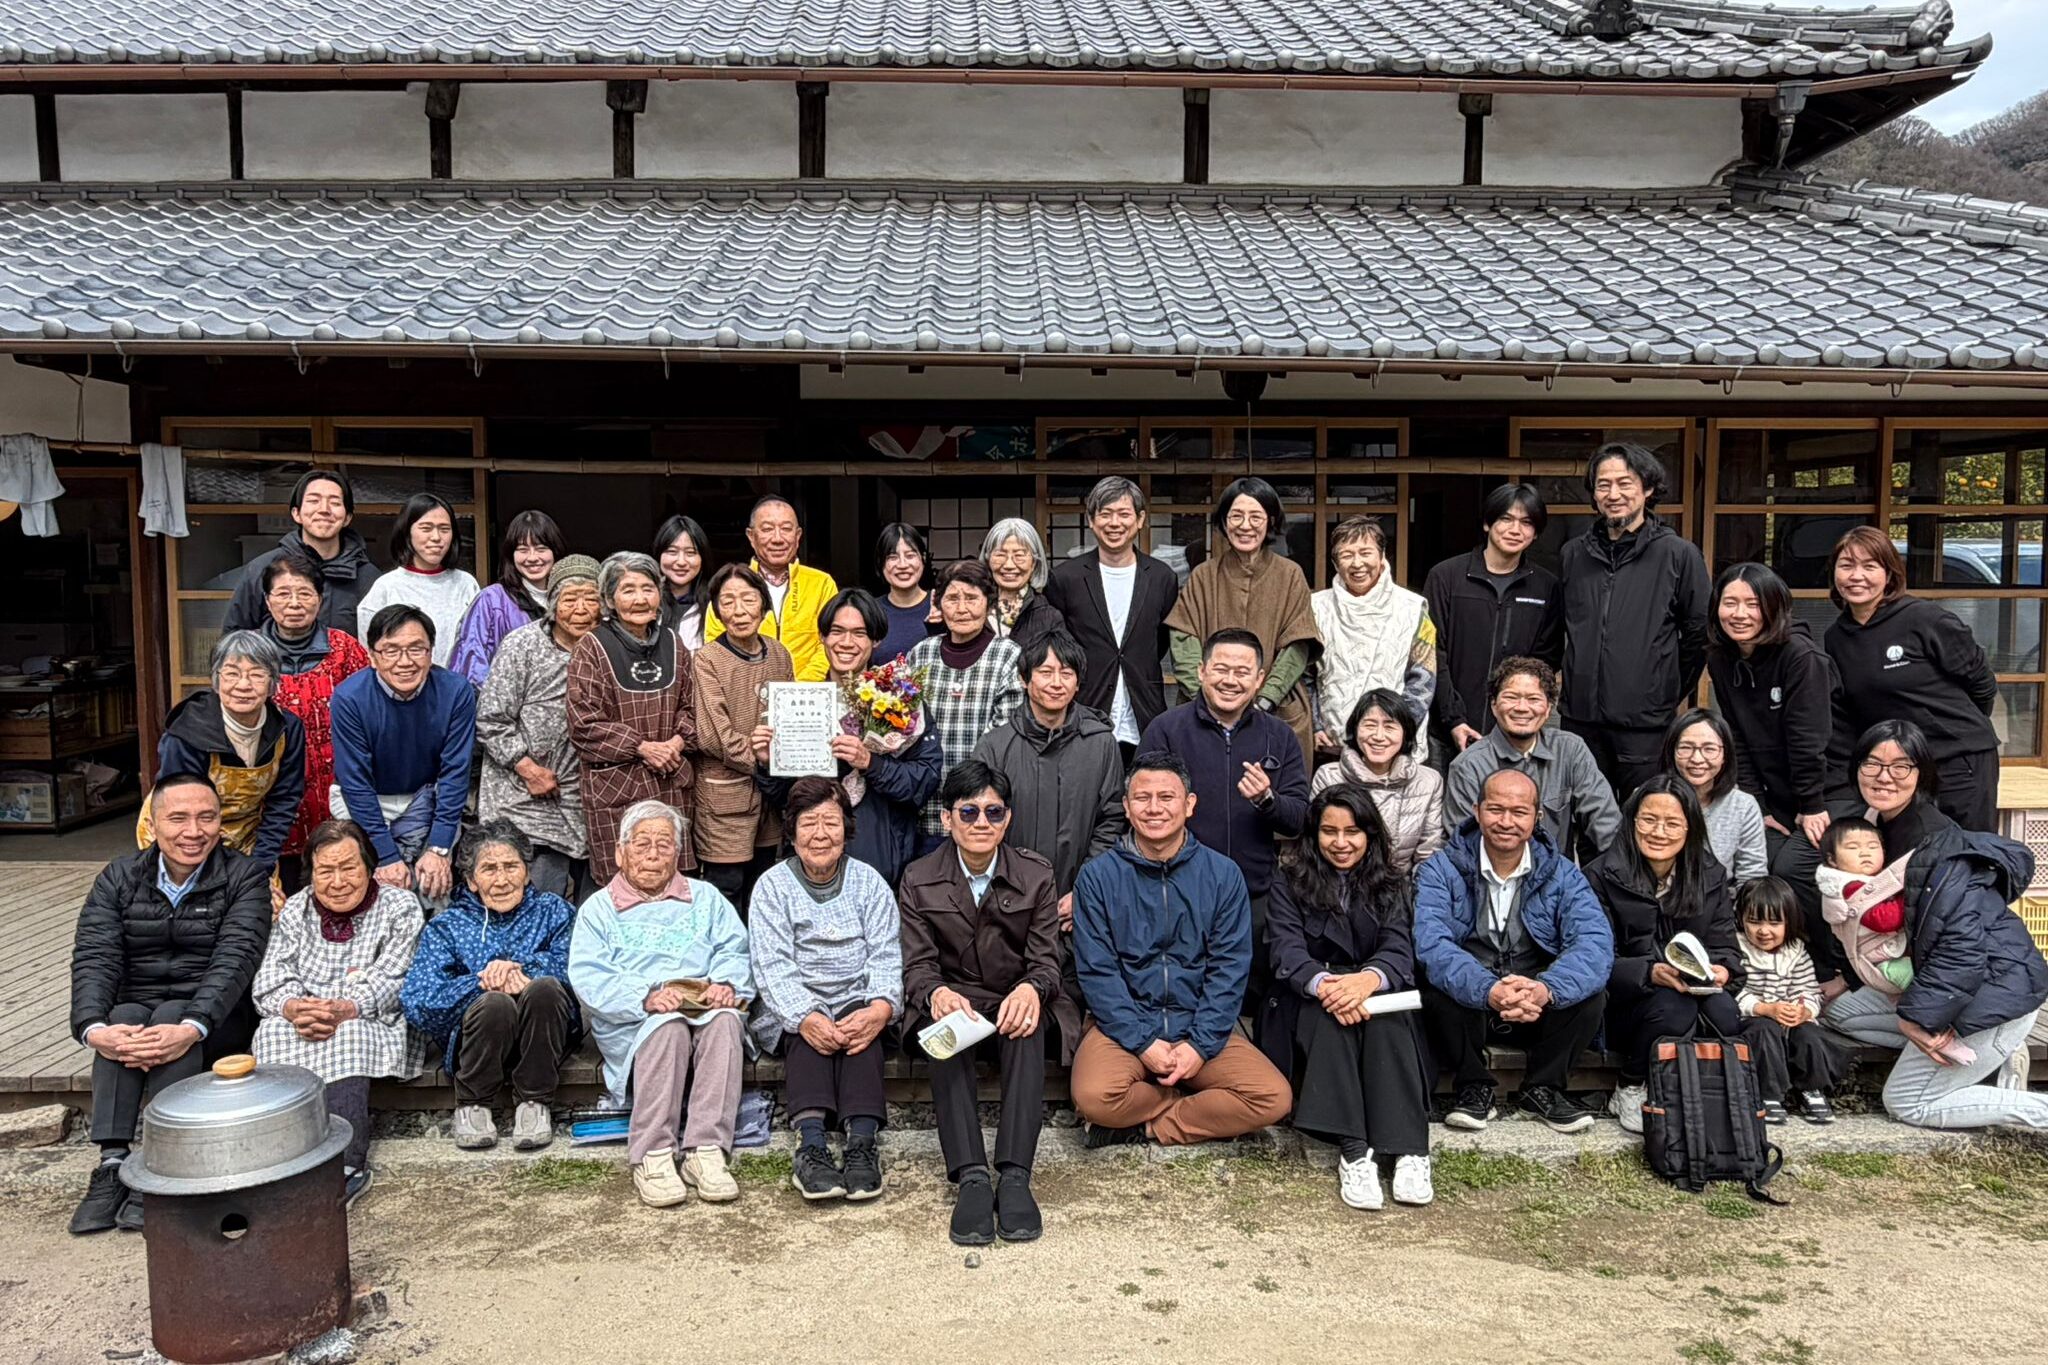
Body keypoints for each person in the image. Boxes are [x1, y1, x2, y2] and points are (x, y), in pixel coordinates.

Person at [1818, 720, 2048, 1130]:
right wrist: (1849, 979)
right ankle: (1972, 1060)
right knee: (1841, 1012)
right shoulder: (1878, 824)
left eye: (1900, 766)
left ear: (1921, 773)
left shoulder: (1937, 843)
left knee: (1906, 1102)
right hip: (1943, 986)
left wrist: (1917, 1019)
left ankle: (2015, 1090)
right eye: (1872, 763)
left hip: (1990, 995)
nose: (1884, 776)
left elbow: (1961, 951)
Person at [68, 774, 272, 1235]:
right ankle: (112, 1163)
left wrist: (192, 1025)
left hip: (215, 1019)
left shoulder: (245, 877)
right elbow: (95, 955)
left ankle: (162, 1166)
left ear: (221, 824)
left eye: (207, 817)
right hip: (137, 1012)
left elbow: (236, 960)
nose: (193, 831)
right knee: (123, 1020)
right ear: (153, 824)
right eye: (177, 818)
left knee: (168, 1017)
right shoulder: (119, 877)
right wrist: (94, 1028)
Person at [1068, 752, 1293, 1147]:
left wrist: (1200, 1046)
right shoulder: (1098, 877)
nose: (1154, 808)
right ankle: (1180, 1098)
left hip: (1199, 1024)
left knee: (1272, 1097)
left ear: (1189, 805)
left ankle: (1151, 1125)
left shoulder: (1222, 875)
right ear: (1126, 806)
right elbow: (1098, 972)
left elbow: (1228, 969)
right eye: (1142, 798)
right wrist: (1142, 1042)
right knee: (1094, 1097)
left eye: (1167, 797)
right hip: (1125, 1028)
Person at [898, 760, 1074, 1246]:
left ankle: (1016, 1173)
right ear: (946, 819)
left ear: (1008, 818)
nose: (982, 823)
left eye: (993, 812)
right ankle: (972, 1175)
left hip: (1010, 993)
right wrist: (936, 993)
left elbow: (1046, 960)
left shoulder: (1036, 874)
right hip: (953, 997)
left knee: (1027, 1024)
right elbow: (917, 965)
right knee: (945, 1033)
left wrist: (1032, 989)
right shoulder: (918, 877)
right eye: (969, 811)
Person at [569, 801, 753, 1208]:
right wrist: (645, 997)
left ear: (678, 853)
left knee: (724, 1020)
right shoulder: (599, 909)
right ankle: (653, 1154)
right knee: (666, 1025)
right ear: (620, 852)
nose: (653, 854)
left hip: (700, 1007)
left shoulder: (705, 897)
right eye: (642, 844)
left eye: (664, 845)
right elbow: (590, 976)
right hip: (635, 1022)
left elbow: (734, 949)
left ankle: (706, 1151)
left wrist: (725, 983)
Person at [1263, 786, 1434, 1211]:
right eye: (1329, 832)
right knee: (1333, 1018)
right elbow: (1286, 951)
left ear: (1370, 834)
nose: (1341, 843)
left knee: (1388, 1017)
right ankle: (1355, 1150)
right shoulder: (1289, 878)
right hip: (1305, 996)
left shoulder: (1391, 881)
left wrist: (1367, 981)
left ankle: (1410, 1150)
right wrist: (1331, 986)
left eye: (1353, 832)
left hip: (1368, 990)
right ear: (1313, 834)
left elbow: (1397, 947)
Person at [1414, 769, 1612, 1134]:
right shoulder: (1441, 870)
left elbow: (1594, 944)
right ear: (1477, 811)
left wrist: (1545, 989)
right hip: (1471, 1005)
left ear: (1536, 818)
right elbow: (1433, 944)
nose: (1506, 822)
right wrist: (1489, 989)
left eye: (1519, 812)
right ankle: (1473, 1088)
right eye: (1496, 809)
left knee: (1591, 996)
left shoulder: (1562, 874)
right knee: (1437, 984)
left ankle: (1543, 1088)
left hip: (1535, 1002)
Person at [252, 819, 426, 1206]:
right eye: (325, 871)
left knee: (350, 1036)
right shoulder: (297, 909)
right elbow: (272, 977)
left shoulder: (399, 906)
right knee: (272, 1033)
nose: (338, 881)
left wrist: (348, 1007)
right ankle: (285, 1156)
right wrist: (295, 1007)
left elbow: (398, 976)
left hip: (372, 1014)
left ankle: (347, 1163)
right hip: (307, 1011)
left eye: (348, 867)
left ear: (368, 865)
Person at [1139, 628, 1310, 1011]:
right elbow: (1139, 810)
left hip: (1254, 895)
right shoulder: (1167, 729)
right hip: (1176, 892)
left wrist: (1268, 799)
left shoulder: (1278, 736)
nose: (1230, 680)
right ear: (1201, 671)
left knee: (1249, 1002)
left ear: (1259, 679)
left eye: (1242, 672)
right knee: (1181, 1000)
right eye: (1221, 669)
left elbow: (1299, 819)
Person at [748, 779, 903, 1202]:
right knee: (807, 1032)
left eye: (831, 822)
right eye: (809, 822)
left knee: (861, 1032)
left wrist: (881, 1007)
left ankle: (861, 1146)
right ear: (792, 830)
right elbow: (772, 965)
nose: (820, 833)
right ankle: (812, 1146)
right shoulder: (772, 887)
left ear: (847, 828)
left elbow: (887, 954)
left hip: (857, 994)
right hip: (796, 998)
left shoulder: (870, 883)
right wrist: (806, 1014)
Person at [402, 820, 580, 1152]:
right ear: (470, 880)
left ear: (527, 873)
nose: (501, 879)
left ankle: (534, 1101)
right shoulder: (448, 926)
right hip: (478, 1041)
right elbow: (418, 1000)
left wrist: (523, 971)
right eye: (489, 869)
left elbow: (579, 968)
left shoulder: (554, 912)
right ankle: (473, 1103)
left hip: (545, 1035)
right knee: (495, 1003)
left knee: (544, 989)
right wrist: (482, 982)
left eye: (511, 866)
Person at [1585, 775, 1744, 1136]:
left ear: (1691, 827)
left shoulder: (1709, 874)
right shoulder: (1600, 875)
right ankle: (1630, 1085)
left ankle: (1704, 1091)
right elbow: (1594, 958)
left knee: (1725, 1013)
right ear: (1632, 821)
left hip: (1689, 991)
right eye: (1649, 820)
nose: (1659, 832)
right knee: (1673, 1007)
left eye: (1673, 823)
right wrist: (1649, 972)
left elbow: (1725, 947)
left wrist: (1721, 970)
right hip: (1623, 1002)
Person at [754, 589, 942, 883]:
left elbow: (924, 781)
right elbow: (785, 797)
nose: (846, 643)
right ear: (822, 637)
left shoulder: (900, 702)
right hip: (813, 863)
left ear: (876, 640)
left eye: (859, 633)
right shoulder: (801, 703)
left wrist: (871, 763)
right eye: (837, 632)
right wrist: (768, 763)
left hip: (883, 858)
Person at [1557, 442, 1709, 801]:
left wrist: (1664, 691)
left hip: (1645, 726)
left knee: (1643, 814)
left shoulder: (1678, 554)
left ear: (1648, 489)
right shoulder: (1574, 554)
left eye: (1625, 483)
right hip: (1580, 721)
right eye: (1603, 485)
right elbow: (1564, 626)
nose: (1614, 494)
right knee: (1581, 818)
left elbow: (1700, 632)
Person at [1826, 526, 2000, 832]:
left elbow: (1981, 682)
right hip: (1899, 769)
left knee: (1968, 856)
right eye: (1846, 565)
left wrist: (1952, 730)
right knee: (1911, 855)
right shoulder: (1836, 638)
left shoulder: (1924, 619)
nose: (1856, 576)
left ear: (1890, 574)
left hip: (1958, 760)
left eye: (1869, 566)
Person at [1705, 561, 1842, 922]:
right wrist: (1757, 805)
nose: (1739, 614)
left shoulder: (1801, 656)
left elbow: (1807, 738)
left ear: (1774, 606)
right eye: (1729, 602)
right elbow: (1736, 735)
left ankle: (1831, 966)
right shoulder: (1721, 657)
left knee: (1792, 867)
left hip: (1830, 790)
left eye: (1752, 604)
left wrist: (1812, 804)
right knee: (1753, 857)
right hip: (1777, 795)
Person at [1165, 476, 1323, 767]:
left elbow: (1298, 644)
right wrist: (1210, 698)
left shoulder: (1290, 575)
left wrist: (1265, 698)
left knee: (1276, 799)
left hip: (1275, 708)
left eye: (1255, 516)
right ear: (1224, 522)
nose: (1245, 525)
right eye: (1236, 516)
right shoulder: (1203, 576)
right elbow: (1182, 638)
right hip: (1206, 712)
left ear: (1271, 521)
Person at [972, 629, 1126, 926]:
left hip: (1080, 906)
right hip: (1006, 908)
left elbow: (1112, 821)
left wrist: (1085, 889)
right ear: (1024, 679)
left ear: (1078, 683)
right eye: (1045, 672)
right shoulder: (995, 746)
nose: (1056, 683)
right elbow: (978, 827)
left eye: (1066, 673)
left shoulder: (1101, 743)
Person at [474, 555, 602, 900]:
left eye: (591, 598)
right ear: (552, 604)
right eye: (569, 598)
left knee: (590, 907)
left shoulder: (608, 648)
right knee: (540, 901)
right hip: (526, 799)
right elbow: (490, 719)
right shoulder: (523, 645)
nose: (581, 608)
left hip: (588, 801)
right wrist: (530, 770)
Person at [330, 604, 475, 908]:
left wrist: (439, 849)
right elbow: (355, 783)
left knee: (434, 890)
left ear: (431, 651)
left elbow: (455, 772)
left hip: (427, 798)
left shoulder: (456, 691)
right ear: (371, 656)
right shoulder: (349, 697)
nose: (405, 662)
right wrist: (385, 856)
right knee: (369, 894)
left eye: (416, 649)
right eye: (391, 651)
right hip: (368, 799)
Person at [568, 551, 698, 887]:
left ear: (660, 593)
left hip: (670, 784)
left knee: (672, 885)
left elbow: (693, 706)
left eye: (648, 588)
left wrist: (676, 741)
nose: (640, 599)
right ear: (609, 599)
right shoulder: (591, 647)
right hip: (617, 789)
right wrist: (641, 746)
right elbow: (584, 725)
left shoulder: (674, 643)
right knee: (623, 886)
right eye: (628, 590)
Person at [140, 631, 306, 880]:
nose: (243, 685)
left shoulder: (286, 727)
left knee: (263, 905)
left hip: (248, 834)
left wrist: (260, 864)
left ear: (273, 683)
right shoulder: (187, 732)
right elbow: (180, 807)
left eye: (257, 674)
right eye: (231, 673)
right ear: (216, 680)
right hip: (183, 834)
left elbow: (283, 801)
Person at [1423, 483, 1563, 765]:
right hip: (1446, 731)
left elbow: (1545, 660)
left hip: (1514, 732)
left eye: (1526, 523)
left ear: (1535, 533)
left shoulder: (1546, 587)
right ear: (1487, 523)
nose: (1515, 530)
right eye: (1506, 519)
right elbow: (1432, 654)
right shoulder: (1446, 577)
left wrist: (1514, 717)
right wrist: (1454, 719)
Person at [1044, 475, 1179, 763]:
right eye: (1105, 514)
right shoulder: (1066, 578)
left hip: (1144, 713)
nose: (1114, 523)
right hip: (1084, 711)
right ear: (1091, 520)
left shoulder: (1161, 577)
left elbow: (1160, 641)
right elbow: (1059, 644)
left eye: (1124, 514)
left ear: (1140, 519)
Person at [258, 550, 370, 890]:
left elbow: (371, 716)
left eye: (305, 593)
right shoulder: (251, 652)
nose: (294, 603)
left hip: (338, 794)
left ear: (320, 600)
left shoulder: (345, 650)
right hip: (273, 800)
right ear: (267, 600)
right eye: (283, 593)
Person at [693, 564, 794, 913]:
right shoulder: (707, 659)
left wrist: (787, 759)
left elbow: (791, 716)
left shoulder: (779, 653)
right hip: (724, 798)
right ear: (716, 611)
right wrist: (763, 759)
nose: (739, 611)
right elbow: (712, 735)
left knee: (765, 886)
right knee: (727, 889)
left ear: (764, 605)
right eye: (728, 601)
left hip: (771, 797)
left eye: (748, 599)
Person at [1444, 657, 1620, 857]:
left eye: (1533, 699)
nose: (1521, 707)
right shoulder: (1468, 766)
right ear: (1494, 705)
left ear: (1548, 708)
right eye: (1511, 697)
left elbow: (1606, 824)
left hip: (1559, 880)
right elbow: (1463, 846)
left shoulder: (1570, 750)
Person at [906, 560, 1025, 849]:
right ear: (938, 603)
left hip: (983, 811)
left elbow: (1004, 732)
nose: (961, 608)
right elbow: (904, 726)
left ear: (989, 602)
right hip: (927, 807)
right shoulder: (921, 655)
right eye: (952, 598)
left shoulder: (1008, 655)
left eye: (971, 598)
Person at [1310, 515, 1435, 761]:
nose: (1357, 563)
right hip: (1333, 747)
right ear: (1335, 563)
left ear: (1381, 556)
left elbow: (1423, 678)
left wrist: (1396, 732)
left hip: (1396, 750)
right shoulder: (1314, 608)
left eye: (1365, 552)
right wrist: (1314, 725)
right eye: (1346, 555)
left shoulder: (1413, 608)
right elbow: (1306, 677)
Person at [1733, 876, 1846, 1125]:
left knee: (1810, 1034)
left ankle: (1812, 1089)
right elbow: (1733, 991)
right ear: (1742, 920)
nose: (1764, 931)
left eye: (1774, 923)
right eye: (1754, 922)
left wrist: (1804, 1010)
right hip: (1752, 1019)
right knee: (1764, 1030)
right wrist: (1764, 1008)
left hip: (1788, 1017)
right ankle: (1769, 1093)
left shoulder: (1796, 951)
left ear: (1789, 922)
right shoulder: (1737, 949)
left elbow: (1808, 990)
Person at [222, 469, 377, 637]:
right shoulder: (264, 568)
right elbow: (235, 638)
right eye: (313, 501)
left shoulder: (369, 577)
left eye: (335, 502)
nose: (324, 509)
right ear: (296, 514)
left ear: (347, 517)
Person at [1310, 688, 1445, 877]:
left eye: (1389, 726)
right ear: (1355, 729)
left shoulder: (1428, 781)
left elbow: (1428, 856)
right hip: (1338, 886)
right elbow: (1315, 845)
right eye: (1370, 725)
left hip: (1400, 891)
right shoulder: (1329, 776)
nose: (1379, 736)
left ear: (1405, 733)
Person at [705, 495, 839, 681]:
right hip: (746, 694)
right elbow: (716, 644)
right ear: (751, 537)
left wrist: (797, 689)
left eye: (786, 529)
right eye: (767, 529)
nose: (778, 538)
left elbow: (830, 641)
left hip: (806, 697)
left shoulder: (821, 583)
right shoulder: (728, 585)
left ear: (798, 536)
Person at [354, 492, 481, 668]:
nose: (436, 537)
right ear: (407, 532)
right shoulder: (386, 587)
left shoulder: (465, 584)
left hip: (457, 690)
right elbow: (370, 655)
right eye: (426, 528)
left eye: (444, 529)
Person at [450, 509, 565, 686]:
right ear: (511, 555)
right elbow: (472, 665)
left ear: (555, 551)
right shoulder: (491, 601)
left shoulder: (571, 599)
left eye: (541, 549)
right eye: (523, 550)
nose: (532, 558)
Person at [1663, 708, 1767, 885]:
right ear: (1672, 752)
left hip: (1720, 904)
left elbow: (1752, 877)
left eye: (1709, 749)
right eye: (1686, 748)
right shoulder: (1649, 798)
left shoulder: (1743, 806)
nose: (1697, 759)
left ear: (1725, 755)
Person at [1816, 816, 1915, 996]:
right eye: (1853, 848)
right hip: (1883, 965)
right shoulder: (1849, 887)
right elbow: (1884, 920)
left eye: (1873, 846)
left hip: (1888, 956)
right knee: (1926, 976)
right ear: (1832, 860)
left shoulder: (1865, 881)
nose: (1865, 853)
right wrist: (1910, 894)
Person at [981, 517, 1064, 658]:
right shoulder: (974, 607)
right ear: (988, 560)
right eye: (1000, 555)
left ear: (1034, 563)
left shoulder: (1049, 616)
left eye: (1019, 555)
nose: (1009, 565)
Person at [874, 521, 940, 663]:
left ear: (923, 558)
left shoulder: (941, 606)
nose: (903, 565)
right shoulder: (871, 611)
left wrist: (940, 628)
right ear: (881, 563)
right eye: (893, 557)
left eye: (910, 556)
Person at [653, 514, 711, 651]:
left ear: (702, 558)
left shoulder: (714, 605)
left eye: (690, 553)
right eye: (672, 552)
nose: (681, 562)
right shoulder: (645, 602)